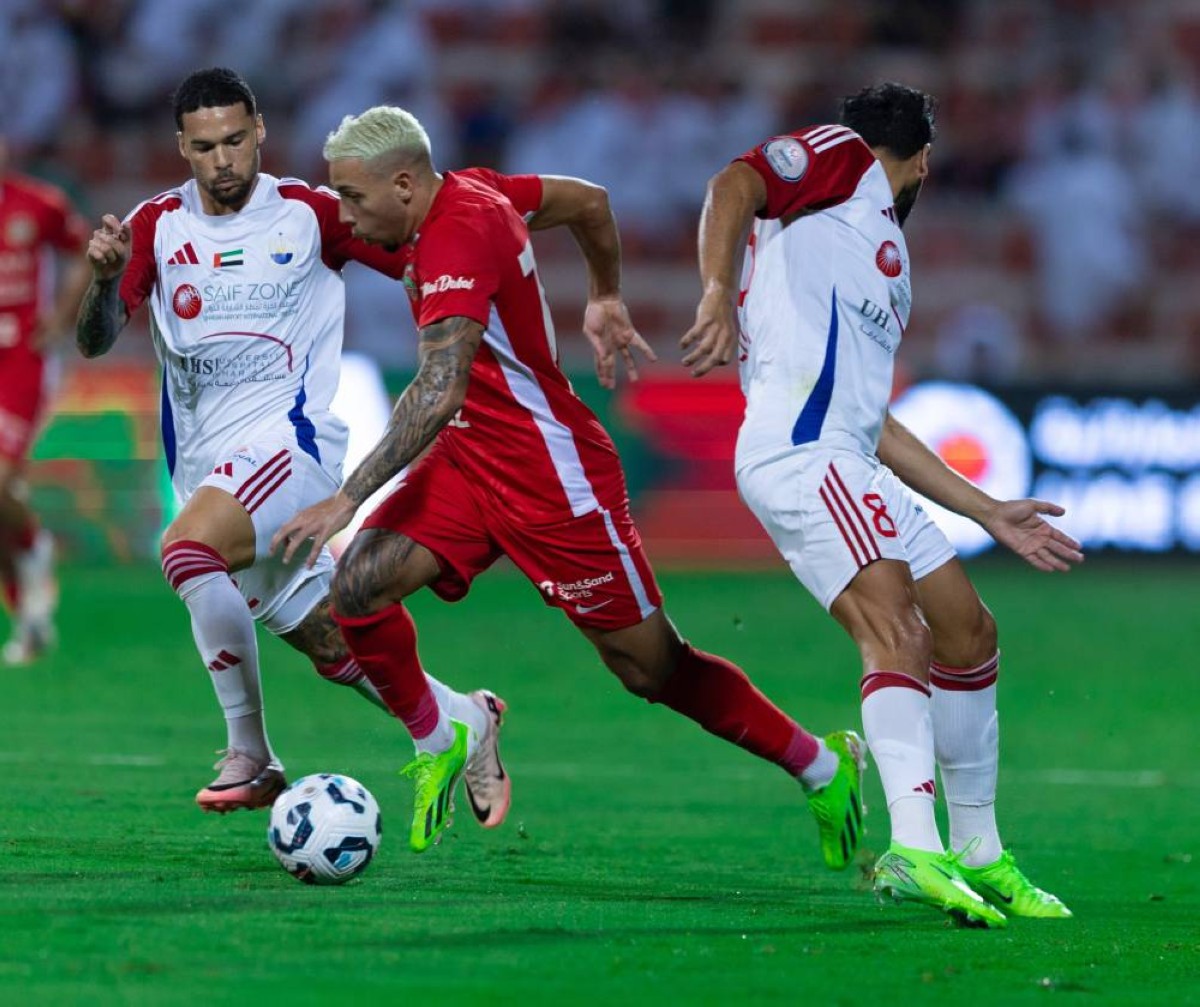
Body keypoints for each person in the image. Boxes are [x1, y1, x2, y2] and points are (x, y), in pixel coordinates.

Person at [272, 104, 865, 862]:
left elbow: (440, 387)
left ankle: (822, 765)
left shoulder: (458, 233)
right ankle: (451, 731)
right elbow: (590, 202)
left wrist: (347, 498)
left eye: (355, 198)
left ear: (405, 185)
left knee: (651, 669)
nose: (350, 218)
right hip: (468, 462)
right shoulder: (479, 190)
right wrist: (605, 295)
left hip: (553, 478)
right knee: (358, 588)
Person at [679, 83, 1085, 927]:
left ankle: (979, 850)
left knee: (968, 630)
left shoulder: (879, 254)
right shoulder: (845, 159)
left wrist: (986, 509)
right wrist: (715, 291)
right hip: (803, 454)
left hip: (850, 453)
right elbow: (734, 182)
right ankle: (913, 846)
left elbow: (877, 422)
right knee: (896, 628)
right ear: (923, 160)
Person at [74, 67, 507, 824]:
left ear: (260, 131)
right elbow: (94, 339)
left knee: (186, 552)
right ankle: (465, 719)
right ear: (182, 147)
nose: (223, 160)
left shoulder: (312, 214)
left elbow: (418, 246)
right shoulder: (157, 226)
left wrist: (462, 308)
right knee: (331, 642)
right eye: (205, 147)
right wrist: (104, 282)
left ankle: (252, 755)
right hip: (209, 471)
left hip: (294, 446)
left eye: (235, 140)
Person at [0, 136, 91, 664]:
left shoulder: (39, 203)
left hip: (20, 360)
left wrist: (59, 319)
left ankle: (34, 553)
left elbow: (83, 252)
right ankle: (29, 611)